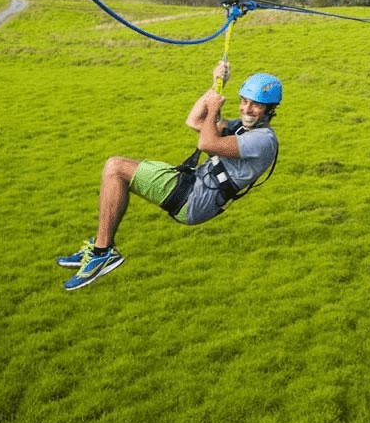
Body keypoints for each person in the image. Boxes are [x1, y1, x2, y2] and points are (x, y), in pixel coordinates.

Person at [58, 61, 282, 290]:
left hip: (196, 199)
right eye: (244, 101)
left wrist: (214, 109)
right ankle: (100, 248)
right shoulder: (242, 128)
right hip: (193, 183)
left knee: (115, 168)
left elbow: (207, 142)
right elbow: (194, 120)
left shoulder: (263, 140)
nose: (247, 109)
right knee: (115, 168)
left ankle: (102, 252)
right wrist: (216, 85)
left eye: (256, 105)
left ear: (270, 109)